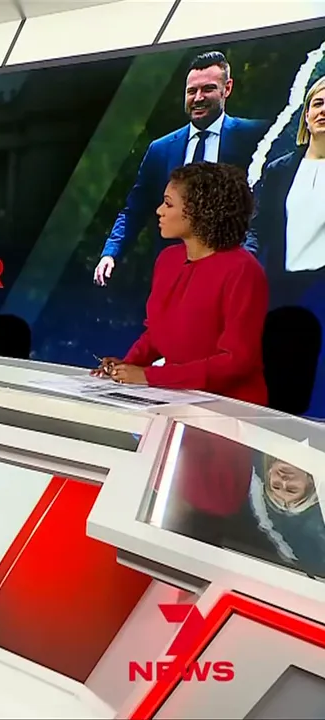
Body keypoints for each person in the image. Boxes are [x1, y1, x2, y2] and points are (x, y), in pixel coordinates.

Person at [95, 162, 268, 546]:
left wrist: (150, 376)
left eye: (168, 203)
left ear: (201, 211)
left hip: (223, 423)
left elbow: (237, 360)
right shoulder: (168, 260)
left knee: (186, 529)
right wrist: (127, 364)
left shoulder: (243, 271)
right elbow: (157, 332)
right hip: (175, 409)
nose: (159, 211)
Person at [94, 51, 266, 287]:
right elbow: (135, 209)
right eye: (191, 91)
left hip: (233, 274)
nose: (198, 98)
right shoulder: (161, 149)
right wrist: (110, 253)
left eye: (208, 89)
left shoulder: (257, 136)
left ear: (227, 89)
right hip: (176, 277)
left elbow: (267, 207)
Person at [250, 74, 325, 307]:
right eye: (318, 103)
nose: (323, 111)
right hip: (281, 290)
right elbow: (259, 227)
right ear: (306, 115)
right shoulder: (279, 170)